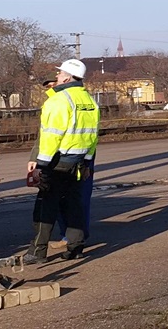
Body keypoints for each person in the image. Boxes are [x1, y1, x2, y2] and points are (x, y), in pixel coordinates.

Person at [23, 58, 99, 264]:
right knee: (73, 204)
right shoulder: (89, 101)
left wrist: (41, 165)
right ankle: (76, 247)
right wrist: (87, 160)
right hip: (80, 161)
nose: (56, 77)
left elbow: (51, 136)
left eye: (59, 74)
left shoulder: (58, 101)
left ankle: (37, 252)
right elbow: (93, 135)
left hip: (58, 161)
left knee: (45, 205)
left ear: (66, 77)